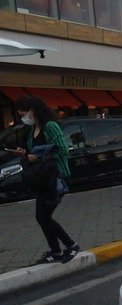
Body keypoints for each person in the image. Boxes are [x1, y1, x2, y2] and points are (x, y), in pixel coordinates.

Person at [12, 96, 80, 264]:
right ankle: (56, 251)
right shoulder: (33, 129)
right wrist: (25, 154)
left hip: (56, 177)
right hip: (42, 178)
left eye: (24, 113)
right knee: (41, 216)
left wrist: (39, 155)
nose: (23, 117)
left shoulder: (50, 126)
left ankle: (71, 245)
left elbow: (63, 149)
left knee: (43, 216)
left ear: (33, 110)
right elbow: (33, 154)